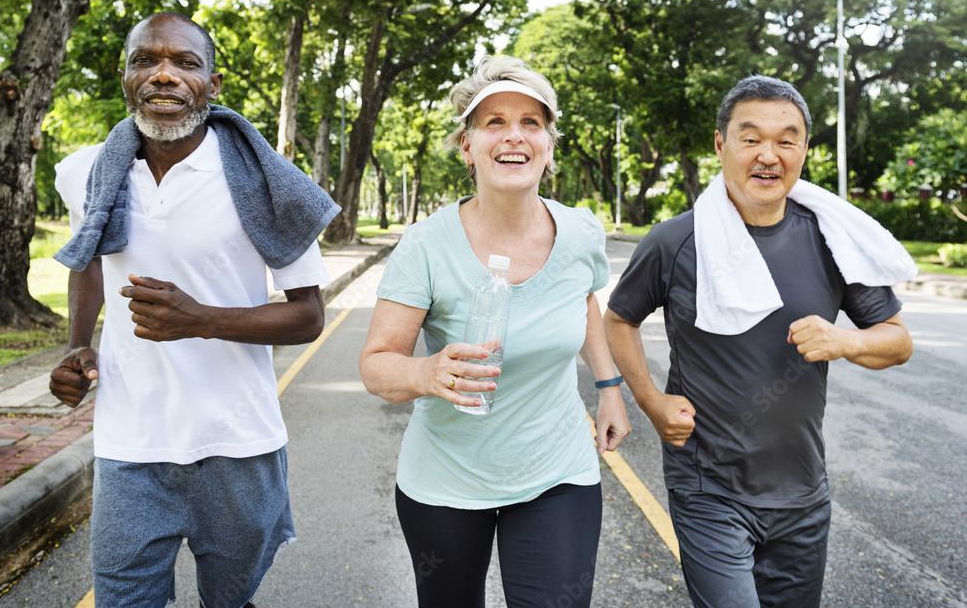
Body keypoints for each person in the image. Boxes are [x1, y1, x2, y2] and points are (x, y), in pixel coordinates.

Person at [49, 11, 340, 608]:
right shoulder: (86, 172)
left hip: (237, 444)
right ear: (125, 75)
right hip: (130, 443)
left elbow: (309, 316)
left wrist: (200, 320)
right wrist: (80, 345)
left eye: (185, 62)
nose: (164, 75)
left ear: (213, 83)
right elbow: (89, 259)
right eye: (145, 61)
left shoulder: (266, 182)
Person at [604, 74, 915, 608]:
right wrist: (652, 402)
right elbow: (618, 320)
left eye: (786, 139)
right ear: (721, 144)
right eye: (751, 138)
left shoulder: (831, 239)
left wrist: (845, 341)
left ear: (804, 150)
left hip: (803, 493)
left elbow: (897, 341)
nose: (768, 154)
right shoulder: (675, 241)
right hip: (709, 488)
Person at [359, 56, 630, 608]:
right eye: (495, 122)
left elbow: (582, 301)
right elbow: (377, 364)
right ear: (467, 145)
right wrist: (428, 371)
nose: (515, 136)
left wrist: (609, 388)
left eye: (531, 122)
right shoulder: (426, 246)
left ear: (549, 145)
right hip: (446, 481)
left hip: (557, 470)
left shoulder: (579, 231)